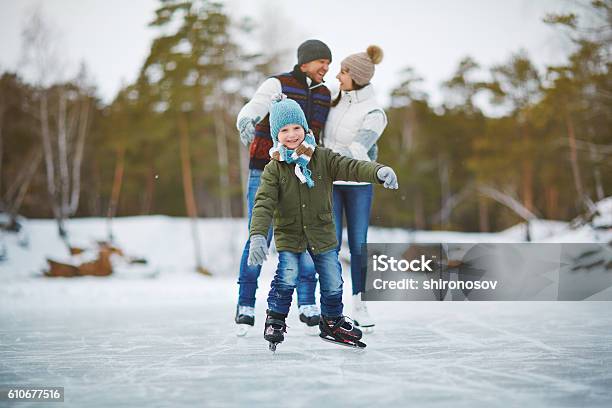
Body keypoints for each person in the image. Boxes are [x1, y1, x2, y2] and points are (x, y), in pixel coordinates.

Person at [247, 95, 399, 351]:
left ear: (305, 129)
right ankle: (275, 319)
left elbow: (351, 167)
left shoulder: (323, 158)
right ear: (276, 135)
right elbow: (263, 204)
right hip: (290, 236)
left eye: (296, 127)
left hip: (322, 234)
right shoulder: (274, 169)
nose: (292, 134)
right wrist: (258, 235)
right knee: (288, 276)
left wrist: (377, 171)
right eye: (284, 130)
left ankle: (332, 321)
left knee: (333, 280)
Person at [234, 39, 333, 336]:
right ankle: (245, 303)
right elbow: (255, 105)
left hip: (303, 173)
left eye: (329, 63)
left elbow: (339, 124)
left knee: (306, 233)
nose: (326, 67)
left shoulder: (327, 93)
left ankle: (306, 303)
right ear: (305, 63)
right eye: (321, 62)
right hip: (264, 169)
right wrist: (246, 120)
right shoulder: (278, 84)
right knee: (259, 233)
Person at [323, 45, 387, 331]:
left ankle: (359, 302)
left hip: (359, 184)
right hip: (332, 184)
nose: (338, 76)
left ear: (357, 76)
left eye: (344, 72)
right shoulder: (334, 101)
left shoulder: (375, 112)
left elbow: (359, 150)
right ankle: (330, 304)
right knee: (331, 244)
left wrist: (325, 156)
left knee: (359, 245)